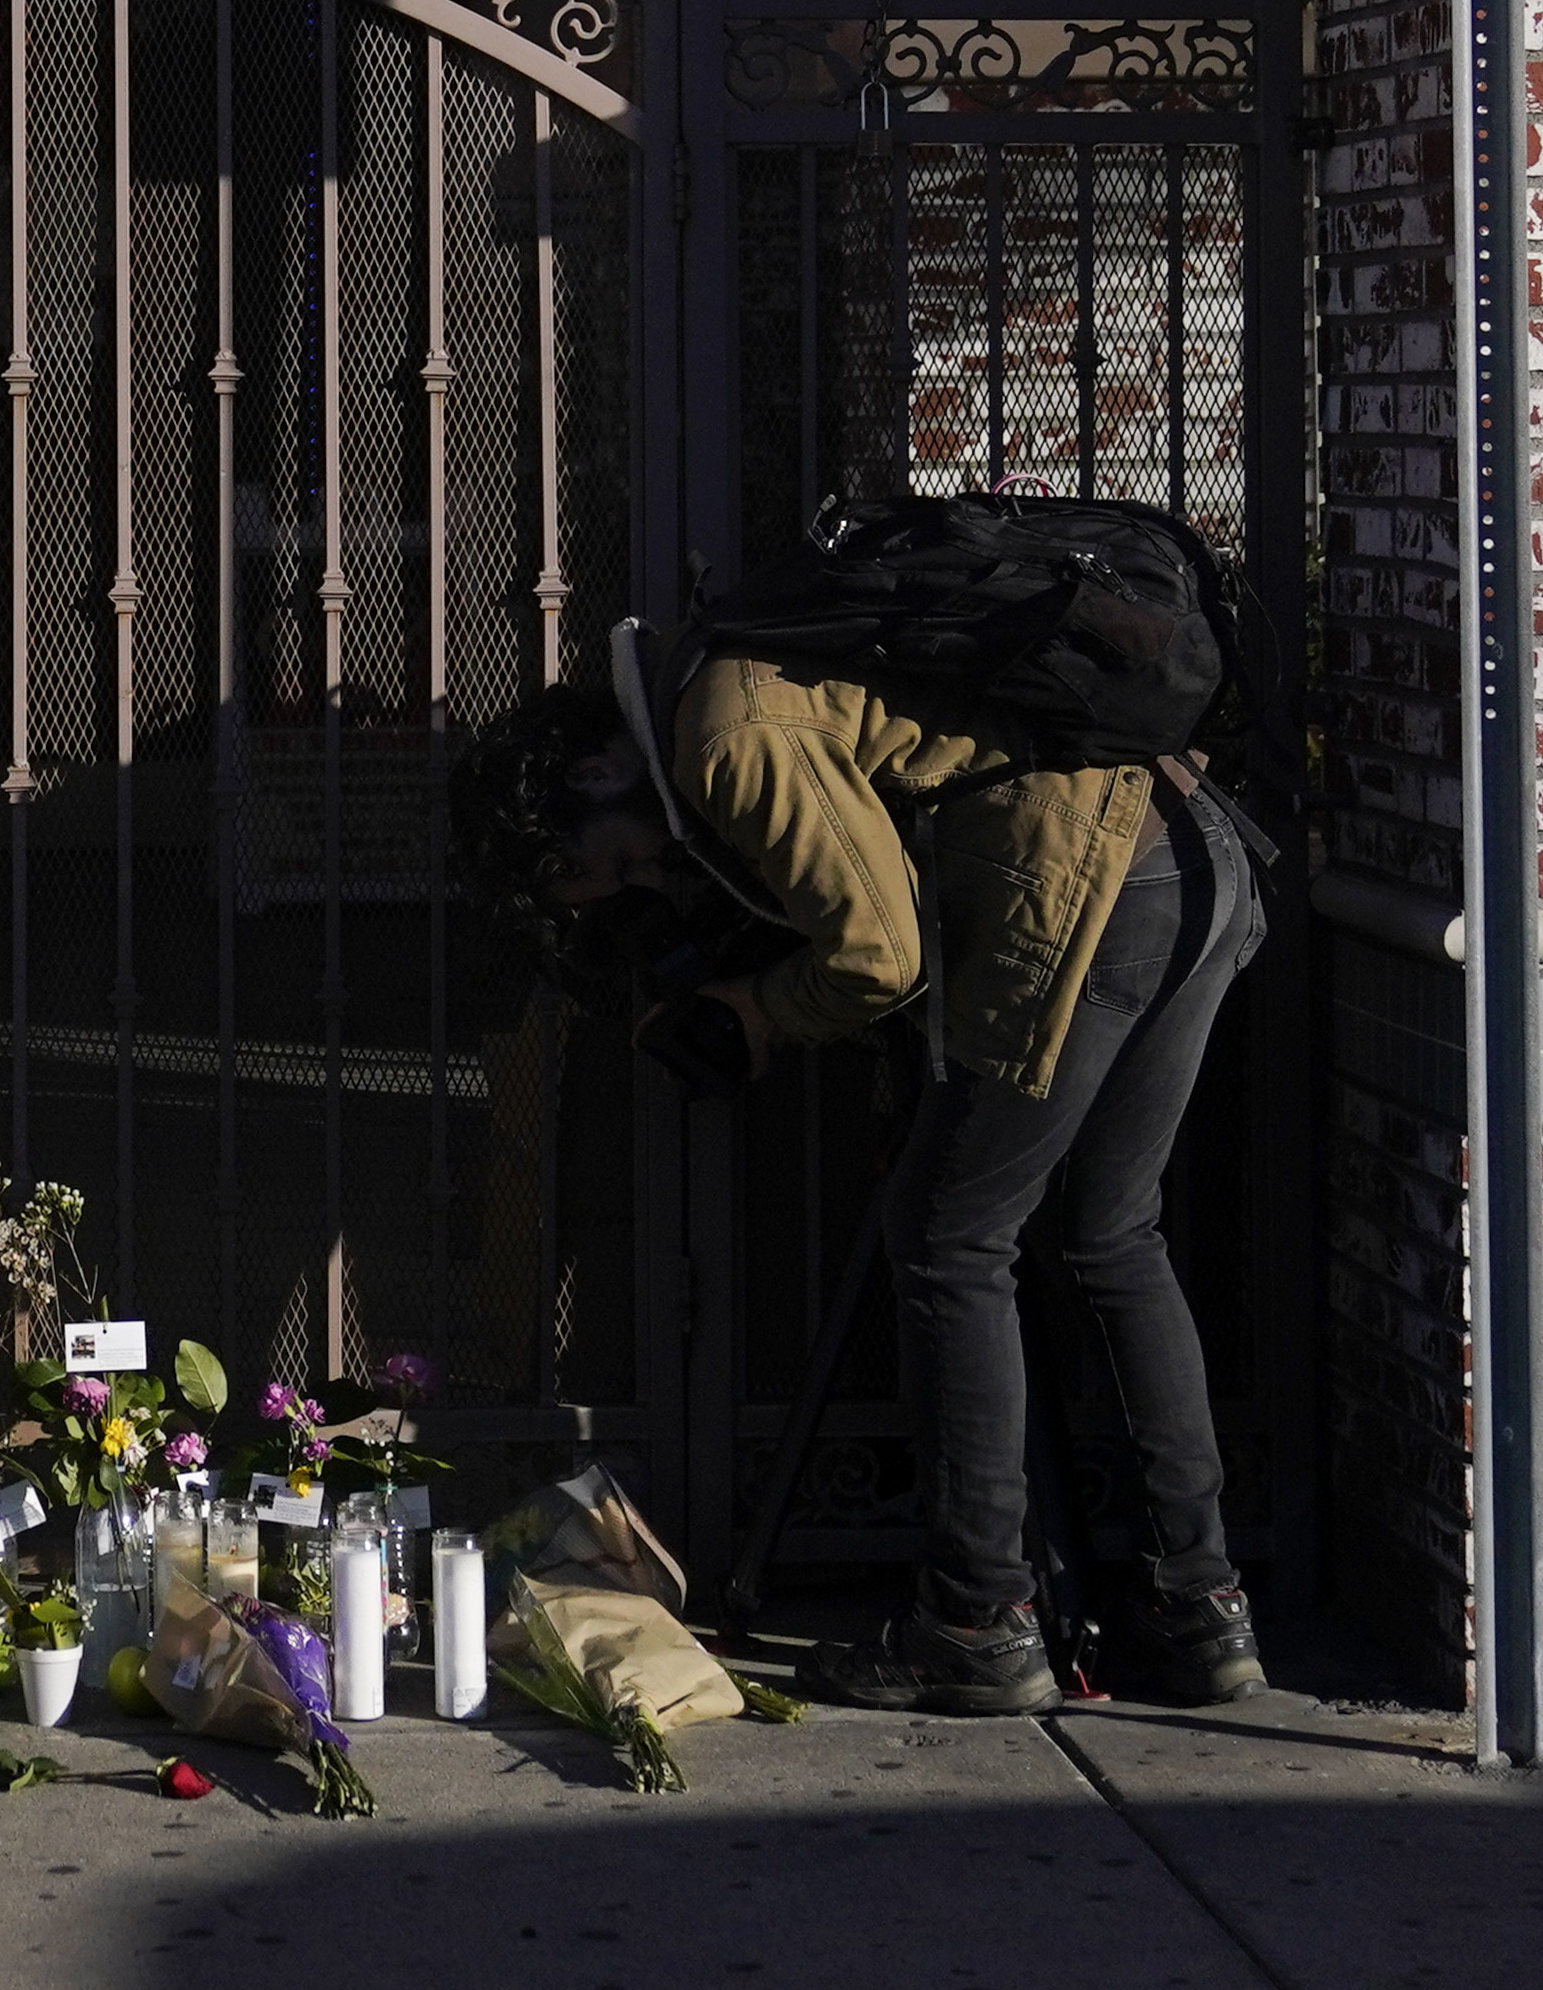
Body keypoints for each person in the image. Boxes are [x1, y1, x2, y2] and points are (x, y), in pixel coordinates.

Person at [544, 638, 1269, 1714]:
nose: (647, 879)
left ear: (596, 771)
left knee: (947, 1235)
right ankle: (1200, 1611)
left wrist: (756, 1009)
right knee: (1111, 1231)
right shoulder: (757, 671)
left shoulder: (723, 731)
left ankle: (977, 1621)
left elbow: (877, 956)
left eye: (617, 862)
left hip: (1101, 875)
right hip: (1194, 851)